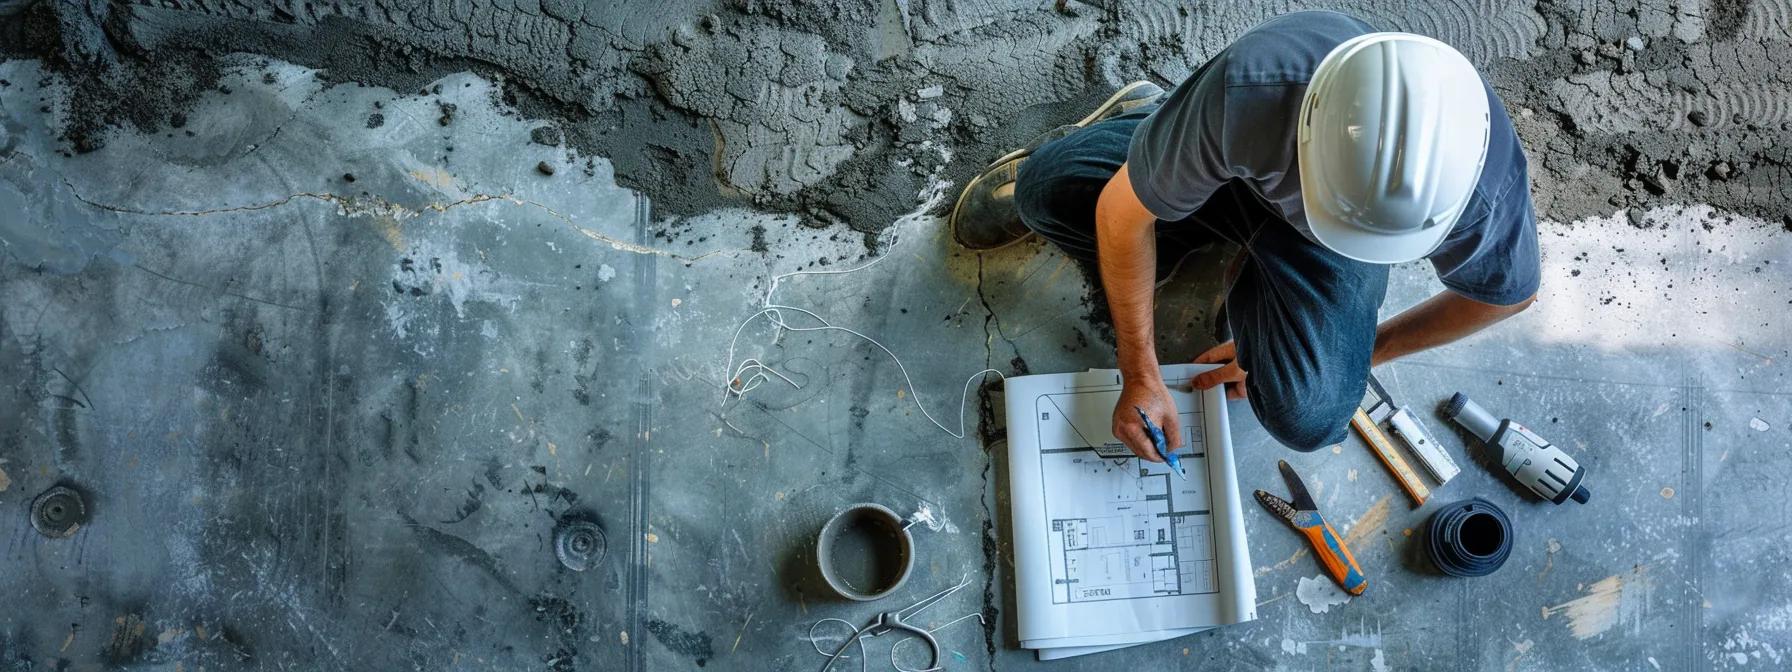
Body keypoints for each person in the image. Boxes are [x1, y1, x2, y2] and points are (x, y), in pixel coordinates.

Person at [949, 10, 1539, 460]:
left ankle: (1185, 191)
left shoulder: (1481, 191)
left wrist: (1367, 351)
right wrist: (1141, 373)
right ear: (1307, 132)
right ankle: (1154, 131)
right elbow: (1120, 218)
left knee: (1312, 417)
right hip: (1235, 168)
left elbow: (1505, 298)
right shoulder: (1259, 84)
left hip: (1320, 251)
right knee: (1046, 194)